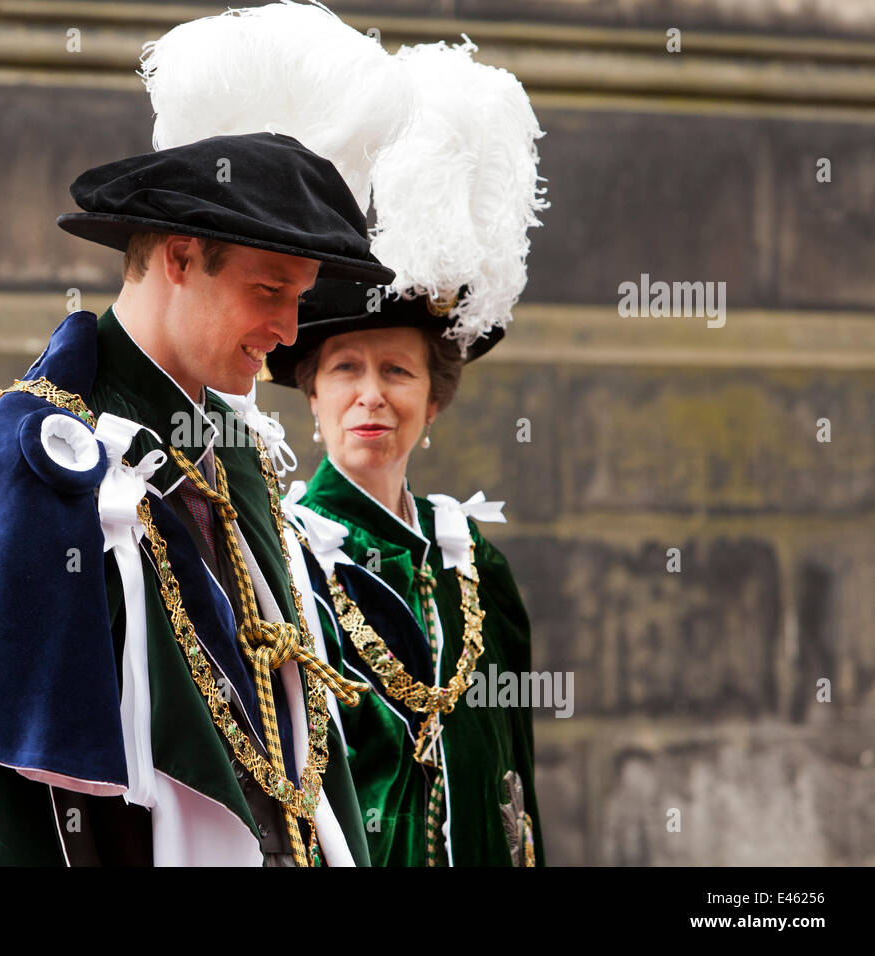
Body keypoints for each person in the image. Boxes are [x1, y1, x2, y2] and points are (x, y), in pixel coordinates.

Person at [0, 130, 397, 865]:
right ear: (179, 257)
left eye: (300, 299)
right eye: (270, 292)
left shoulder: (237, 459)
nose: (288, 332)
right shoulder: (27, 465)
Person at [258, 36, 552, 867]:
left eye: (397, 371)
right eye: (345, 369)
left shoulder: (476, 566)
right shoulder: (276, 562)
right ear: (312, 395)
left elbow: (515, 778)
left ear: (432, 399)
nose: (371, 395)